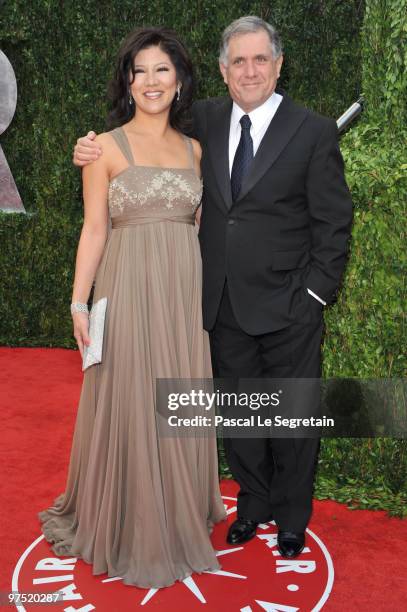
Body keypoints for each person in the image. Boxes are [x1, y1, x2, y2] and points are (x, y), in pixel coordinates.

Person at [73, 16, 353, 559]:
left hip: (291, 304)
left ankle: (292, 518)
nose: (250, 71)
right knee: (239, 417)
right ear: (223, 71)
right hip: (218, 302)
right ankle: (252, 505)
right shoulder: (201, 122)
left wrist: (315, 296)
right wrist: (86, 146)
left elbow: (333, 222)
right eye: (238, 61)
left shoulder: (313, 130)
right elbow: (142, 137)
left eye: (260, 60)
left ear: (279, 64)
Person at [39, 27, 226, 589]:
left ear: (180, 81)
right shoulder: (104, 148)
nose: (151, 81)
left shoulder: (196, 150)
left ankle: (179, 512)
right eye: (139, 70)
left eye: (162, 70)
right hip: (126, 286)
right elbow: (94, 229)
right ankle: (132, 520)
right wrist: (79, 300)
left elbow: (198, 228)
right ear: (127, 81)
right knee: (131, 395)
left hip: (180, 294)